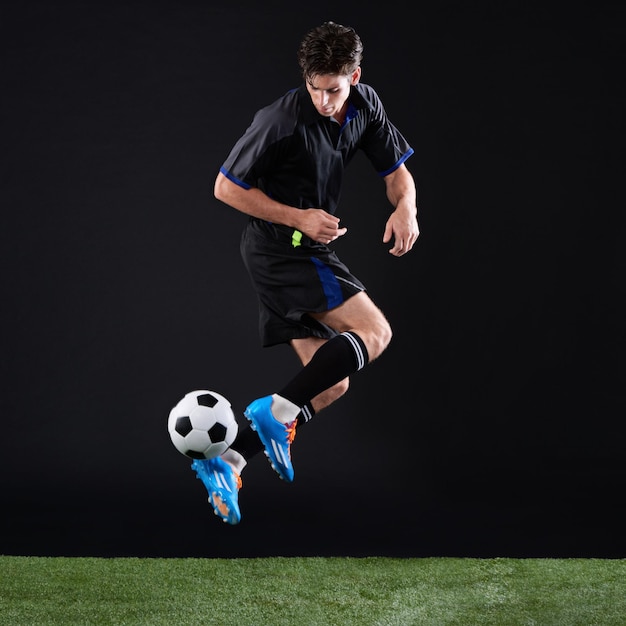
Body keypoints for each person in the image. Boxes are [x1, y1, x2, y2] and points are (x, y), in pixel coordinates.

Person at [191, 21, 419, 524]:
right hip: (281, 250)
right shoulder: (280, 119)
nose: (323, 100)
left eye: (333, 89)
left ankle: (226, 464)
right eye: (314, 88)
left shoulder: (365, 105)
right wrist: (300, 218)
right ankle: (269, 413)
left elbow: (396, 171)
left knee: (329, 384)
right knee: (374, 333)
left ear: (354, 77)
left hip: (297, 249)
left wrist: (407, 208)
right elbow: (225, 188)